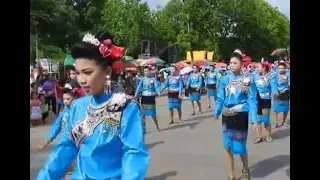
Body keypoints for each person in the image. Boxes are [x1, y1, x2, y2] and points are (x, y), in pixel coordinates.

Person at [37, 32, 149, 180]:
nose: (82, 80)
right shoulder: (77, 106)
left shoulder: (126, 108)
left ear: (107, 71)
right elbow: (65, 149)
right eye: (77, 73)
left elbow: (133, 155)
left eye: (88, 72)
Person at [214, 52, 258, 180]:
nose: (232, 65)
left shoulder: (248, 80)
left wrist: (254, 120)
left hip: (241, 115)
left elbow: (252, 100)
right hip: (227, 114)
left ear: (241, 64)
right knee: (227, 146)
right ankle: (231, 175)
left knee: (240, 146)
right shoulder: (224, 79)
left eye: (235, 63)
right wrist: (216, 112)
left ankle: (245, 170)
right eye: (230, 63)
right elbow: (220, 98)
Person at [252, 61, 277, 143]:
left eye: (258, 67)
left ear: (264, 68)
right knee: (257, 120)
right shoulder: (254, 76)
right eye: (255, 67)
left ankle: (268, 135)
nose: (256, 69)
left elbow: (274, 87)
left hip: (266, 99)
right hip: (256, 100)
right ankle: (259, 137)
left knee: (265, 120)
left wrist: (274, 92)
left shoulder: (271, 76)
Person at [135, 66, 160, 132]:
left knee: (153, 114)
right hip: (144, 98)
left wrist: (158, 92)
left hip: (151, 98)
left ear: (150, 71)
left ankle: (157, 125)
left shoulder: (154, 79)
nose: (146, 72)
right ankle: (144, 128)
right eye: (145, 71)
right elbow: (139, 88)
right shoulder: (142, 79)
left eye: (147, 71)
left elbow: (157, 87)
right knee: (143, 114)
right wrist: (136, 95)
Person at [272, 62, 290, 128]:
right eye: (279, 68)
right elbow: (273, 83)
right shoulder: (275, 75)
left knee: (285, 108)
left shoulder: (288, 75)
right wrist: (276, 91)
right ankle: (276, 123)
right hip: (277, 93)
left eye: (282, 68)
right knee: (275, 109)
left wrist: (285, 81)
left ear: (285, 69)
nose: (281, 69)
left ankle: (283, 122)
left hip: (285, 93)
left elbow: (289, 84)